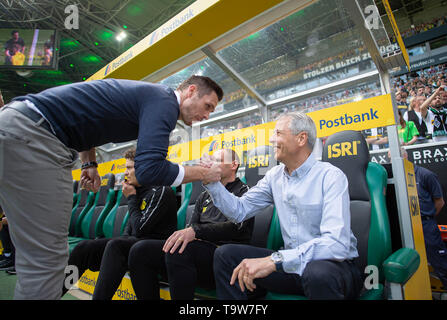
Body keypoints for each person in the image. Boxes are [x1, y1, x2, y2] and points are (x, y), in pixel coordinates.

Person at [0, 75, 223, 299]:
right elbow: (149, 169)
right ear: (191, 91)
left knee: (82, 251)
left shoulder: (150, 99)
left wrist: (89, 162)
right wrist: (204, 172)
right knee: (46, 261)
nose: (206, 116)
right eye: (208, 106)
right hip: (34, 139)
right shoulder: (164, 101)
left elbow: (85, 117)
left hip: (17, 125)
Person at [204, 112, 362, 300]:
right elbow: (239, 210)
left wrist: (275, 260)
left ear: (301, 138)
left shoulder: (331, 177)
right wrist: (213, 183)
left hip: (333, 268)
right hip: (291, 267)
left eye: (278, 133)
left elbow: (336, 245)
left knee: (317, 272)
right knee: (225, 255)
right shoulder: (274, 176)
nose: (271, 139)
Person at [126, 148, 253, 300]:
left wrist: (197, 232)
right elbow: (192, 226)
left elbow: (237, 227)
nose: (212, 164)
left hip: (223, 254)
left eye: (217, 161)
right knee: (140, 250)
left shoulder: (245, 192)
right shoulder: (204, 195)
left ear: (234, 165)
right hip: (197, 250)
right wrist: (192, 233)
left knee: (179, 250)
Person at [63, 148, 177, 299]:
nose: (126, 172)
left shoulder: (162, 190)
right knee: (83, 248)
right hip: (134, 243)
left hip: (156, 249)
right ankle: (55, 292)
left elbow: (139, 230)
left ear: (144, 168)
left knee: (116, 245)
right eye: (126, 168)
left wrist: (130, 198)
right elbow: (128, 232)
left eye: (129, 168)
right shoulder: (137, 191)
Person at [396, 148, 447, 289]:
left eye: (394, 156)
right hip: (405, 227)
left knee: (440, 263)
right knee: (409, 264)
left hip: (426, 225)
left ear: (405, 156)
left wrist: (425, 218)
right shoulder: (396, 177)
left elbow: (439, 202)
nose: (392, 161)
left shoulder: (425, 174)